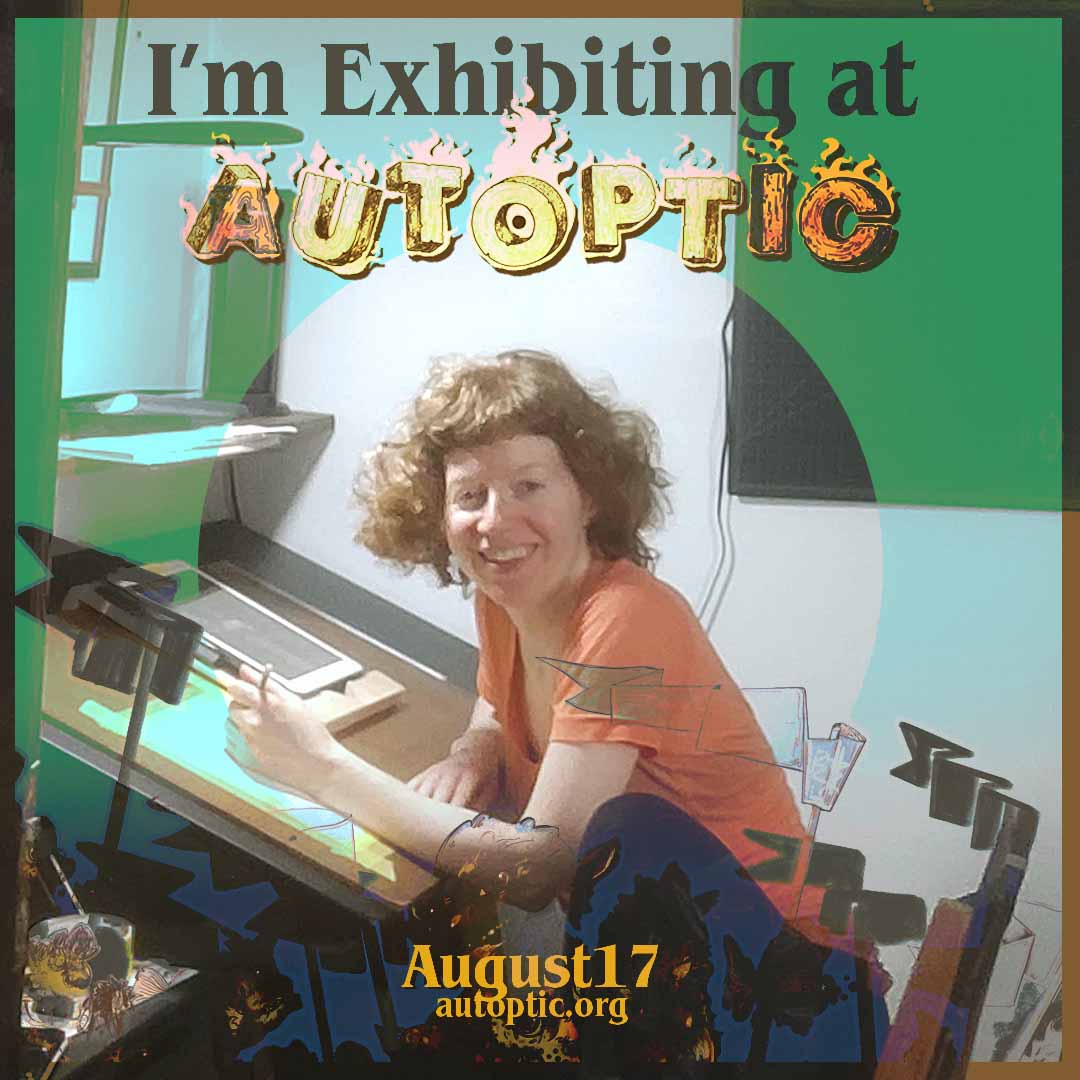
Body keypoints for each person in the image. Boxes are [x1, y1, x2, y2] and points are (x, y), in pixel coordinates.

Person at [220, 350, 887, 1064]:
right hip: (667, 977)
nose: (495, 521)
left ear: (589, 497)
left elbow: (536, 869)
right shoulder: (508, 599)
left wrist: (322, 768)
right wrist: (474, 748)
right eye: (469, 495)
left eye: (528, 485)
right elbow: (493, 696)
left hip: (789, 1003)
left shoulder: (627, 617)